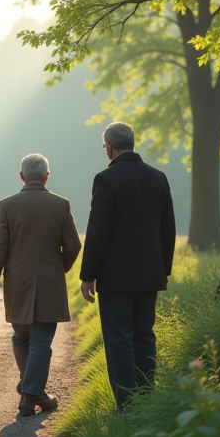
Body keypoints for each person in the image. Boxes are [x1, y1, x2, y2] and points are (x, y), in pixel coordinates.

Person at [80, 122, 176, 409]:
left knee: (119, 339)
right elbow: (167, 228)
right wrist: (164, 269)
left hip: (116, 277)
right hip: (150, 273)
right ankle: (146, 398)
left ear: (109, 147)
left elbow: (98, 231)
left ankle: (127, 404)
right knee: (145, 335)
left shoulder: (106, 179)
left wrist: (88, 276)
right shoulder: (158, 177)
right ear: (132, 144)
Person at [0, 153, 82, 416]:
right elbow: (73, 245)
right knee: (41, 340)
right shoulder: (61, 205)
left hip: (17, 281)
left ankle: (31, 391)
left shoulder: (7, 205)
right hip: (50, 281)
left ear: (22, 176)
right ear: (47, 176)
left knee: (21, 336)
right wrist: (59, 266)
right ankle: (31, 395)